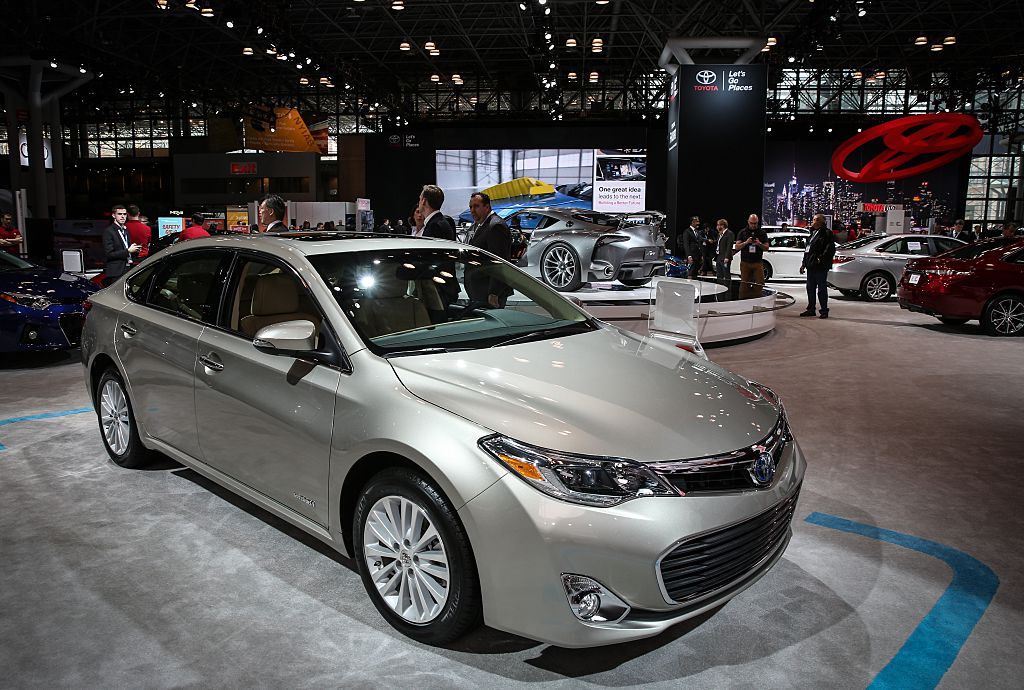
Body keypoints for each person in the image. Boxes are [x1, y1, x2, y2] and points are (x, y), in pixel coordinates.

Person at [465, 192, 513, 308]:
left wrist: (493, 293)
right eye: (471, 207)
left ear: (487, 207)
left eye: (476, 206)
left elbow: (498, 262)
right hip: (479, 291)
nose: (472, 210)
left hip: (489, 294)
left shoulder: (495, 226)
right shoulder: (479, 225)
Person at [799, 213, 837, 319]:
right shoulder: (812, 233)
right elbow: (807, 250)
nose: (813, 221)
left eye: (816, 220)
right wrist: (803, 264)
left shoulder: (826, 233)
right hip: (811, 266)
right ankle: (811, 309)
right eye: (813, 219)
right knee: (810, 288)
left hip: (820, 267)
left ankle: (824, 310)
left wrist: (821, 258)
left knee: (821, 289)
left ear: (822, 222)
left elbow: (830, 249)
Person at [102, 204, 141, 285]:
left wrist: (135, 250)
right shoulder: (109, 231)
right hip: (116, 271)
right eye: (119, 214)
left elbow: (126, 248)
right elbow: (109, 254)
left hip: (128, 268)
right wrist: (128, 251)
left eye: (124, 214)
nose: (123, 216)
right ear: (113, 215)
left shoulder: (125, 230)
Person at [734, 214, 769, 299]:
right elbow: (737, 247)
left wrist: (759, 243)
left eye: (755, 223)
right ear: (748, 222)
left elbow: (766, 248)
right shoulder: (742, 232)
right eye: (752, 223)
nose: (753, 225)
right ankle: (742, 302)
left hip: (758, 263)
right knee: (744, 284)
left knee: (760, 283)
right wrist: (746, 242)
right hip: (745, 263)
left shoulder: (762, 233)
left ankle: (755, 300)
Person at [714, 218, 735, 287]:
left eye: (718, 225)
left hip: (725, 258)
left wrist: (727, 257)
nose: (717, 227)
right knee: (719, 275)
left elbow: (729, 246)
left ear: (722, 225)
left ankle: (728, 291)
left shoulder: (729, 233)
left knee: (726, 275)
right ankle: (720, 290)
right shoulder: (720, 234)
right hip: (719, 257)